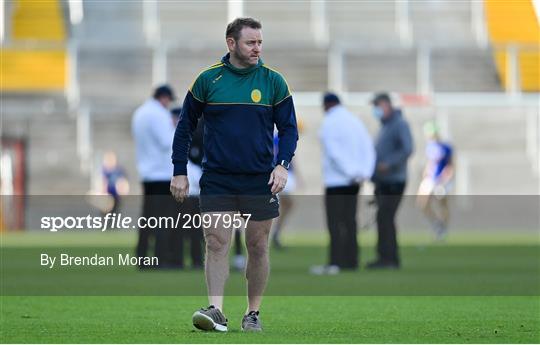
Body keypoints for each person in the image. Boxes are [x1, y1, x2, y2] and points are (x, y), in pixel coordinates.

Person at [170, 17, 298, 332]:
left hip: (260, 179)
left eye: (259, 43)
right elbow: (184, 128)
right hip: (217, 177)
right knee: (216, 242)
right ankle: (216, 310)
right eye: (250, 42)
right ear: (231, 43)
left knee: (257, 245)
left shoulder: (274, 81)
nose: (257, 49)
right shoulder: (207, 80)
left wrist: (282, 164)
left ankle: (252, 313)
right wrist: (179, 171)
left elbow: (290, 129)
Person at [312, 92, 375, 275]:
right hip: (355, 180)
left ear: (326, 105)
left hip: (337, 180)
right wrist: (363, 173)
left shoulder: (329, 122)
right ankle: (352, 260)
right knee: (350, 220)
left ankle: (336, 262)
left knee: (335, 222)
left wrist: (349, 172)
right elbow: (368, 147)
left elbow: (333, 152)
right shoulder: (355, 121)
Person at [132, 85, 176, 269]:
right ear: (164, 98)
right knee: (162, 219)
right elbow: (167, 141)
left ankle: (142, 256)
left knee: (148, 218)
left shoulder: (140, 112)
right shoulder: (159, 114)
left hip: (147, 173)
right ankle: (159, 257)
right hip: (161, 172)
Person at [368, 93, 413, 270]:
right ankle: (386, 257)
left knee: (385, 217)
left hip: (394, 180)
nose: (375, 110)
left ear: (386, 104)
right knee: (383, 218)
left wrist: (389, 164)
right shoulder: (385, 126)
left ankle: (389, 259)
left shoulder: (399, 124)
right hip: (383, 181)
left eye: (377, 105)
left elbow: (408, 149)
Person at [168, 108, 204, 269]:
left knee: (191, 226)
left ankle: (193, 259)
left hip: (192, 187)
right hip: (186, 185)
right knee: (183, 226)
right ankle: (181, 259)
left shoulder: (193, 133)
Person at [417, 121, 454, 241]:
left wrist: (445, 179)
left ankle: (443, 230)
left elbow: (450, 165)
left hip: (442, 180)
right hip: (431, 179)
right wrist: (426, 173)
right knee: (422, 203)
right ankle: (437, 224)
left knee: (442, 204)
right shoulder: (430, 147)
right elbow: (431, 163)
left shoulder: (446, 147)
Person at [101, 150, 129, 215]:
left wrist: (123, 191)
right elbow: (103, 182)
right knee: (105, 213)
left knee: (115, 212)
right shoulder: (104, 171)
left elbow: (123, 182)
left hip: (116, 196)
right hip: (107, 196)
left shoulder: (119, 171)